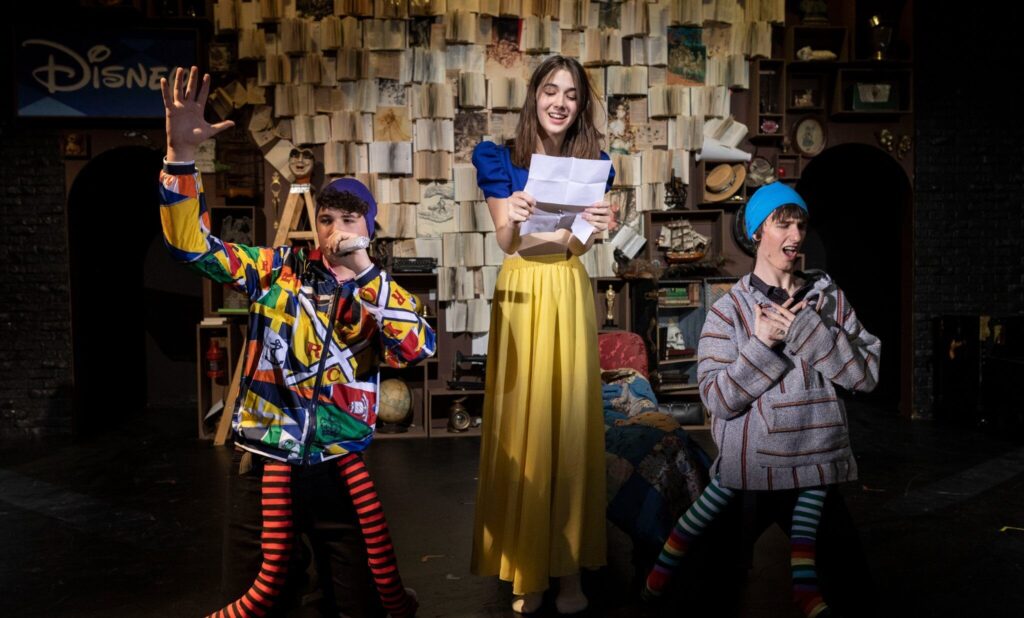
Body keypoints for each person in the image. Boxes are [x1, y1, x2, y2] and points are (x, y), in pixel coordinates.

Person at [159, 66, 433, 618]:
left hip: (341, 470)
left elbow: (417, 349)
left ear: (370, 228)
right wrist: (180, 159)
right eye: (326, 219)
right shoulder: (276, 270)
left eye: (349, 219)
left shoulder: (382, 293)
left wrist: (364, 274)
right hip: (262, 465)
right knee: (256, 602)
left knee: (362, 603)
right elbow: (193, 248)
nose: (334, 230)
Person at [642, 181, 881, 618]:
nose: (794, 236)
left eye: (801, 224)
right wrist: (761, 344)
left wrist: (807, 332)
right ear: (757, 232)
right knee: (701, 593)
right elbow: (717, 399)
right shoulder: (726, 311)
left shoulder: (829, 299)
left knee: (854, 593)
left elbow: (866, 377)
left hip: (817, 462)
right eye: (782, 224)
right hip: (748, 472)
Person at [469, 55, 614, 615]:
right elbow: (508, 243)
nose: (560, 102)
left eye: (571, 95)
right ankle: (528, 571)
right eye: (550, 90)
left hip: (568, 289)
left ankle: (570, 569)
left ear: (580, 106)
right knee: (525, 428)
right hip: (523, 292)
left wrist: (602, 226)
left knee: (571, 428)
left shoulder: (595, 162)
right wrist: (513, 214)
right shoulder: (500, 158)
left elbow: (575, 246)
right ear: (533, 96)